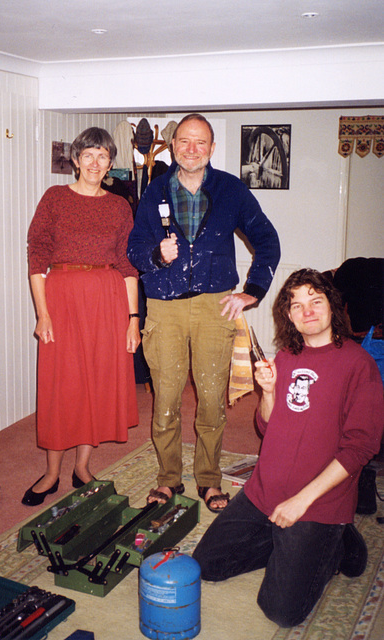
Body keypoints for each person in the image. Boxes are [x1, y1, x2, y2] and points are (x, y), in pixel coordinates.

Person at [192, 268, 384, 627]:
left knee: (280, 610)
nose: (306, 311)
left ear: (333, 307)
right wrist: (269, 392)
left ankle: (339, 544)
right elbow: (267, 425)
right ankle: (287, 540)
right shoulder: (285, 357)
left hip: (317, 503)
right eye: (296, 305)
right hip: (263, 492)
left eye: (316, 301)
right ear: (288, 316)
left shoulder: (358, 365)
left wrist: (300, 502)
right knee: (206, 566)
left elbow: (362, 446)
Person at [127, 113, 280, 511]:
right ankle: (168, 478)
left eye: (201, 143)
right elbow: (134, 250)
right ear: (174, 145)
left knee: (211, 401)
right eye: (184, 141)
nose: (191, 149)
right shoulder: (155, 190)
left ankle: (209, 480)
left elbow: (266, 239)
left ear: (212, 148)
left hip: (215, 307)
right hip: (164, 307)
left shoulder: (231, 189)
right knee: (165, 402)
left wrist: (253, 292)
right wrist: (156, 256)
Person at [22, 127, 140, 506]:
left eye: (102, 156)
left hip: (107, 301)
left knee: (96, 383)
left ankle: (83, 467)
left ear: (110, 163)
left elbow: (126, 264)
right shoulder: (55, 198)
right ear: (75, 160)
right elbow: (37, 256)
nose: (94, 162)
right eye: (88, 155)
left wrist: (133, 319)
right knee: (62, 386)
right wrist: (43, 314)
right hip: (62, 298)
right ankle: (52, 472)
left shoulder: (119, 206)